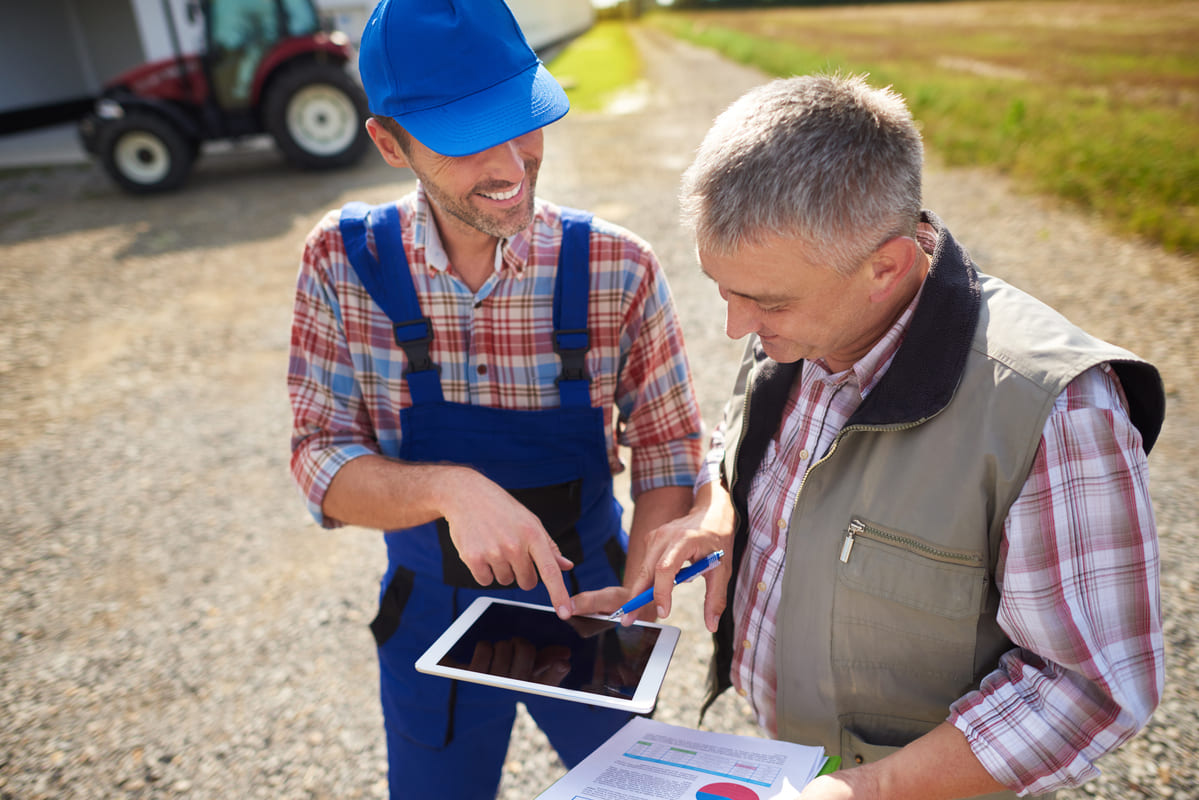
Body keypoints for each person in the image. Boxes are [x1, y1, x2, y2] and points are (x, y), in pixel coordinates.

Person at [583, 73, 1166, 799]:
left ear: (884, 266)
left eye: (762, 301)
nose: (736, 328)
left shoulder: (1056, 412)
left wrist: (866, 790)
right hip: (792, 757)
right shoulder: (795, 322)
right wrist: (723, 510)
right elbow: (744, 445)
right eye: (720, 289)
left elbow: (1086, 690)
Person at [285, 0, 703, 796]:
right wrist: (447, 489)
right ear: (387, 142)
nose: (513, 163)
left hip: (591, 603)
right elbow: (317, 461)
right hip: (426, 614)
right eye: (468, 137)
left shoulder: (618, 267)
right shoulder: (341, 262)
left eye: (522, 119)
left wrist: (643, 589)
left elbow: (668, 453)